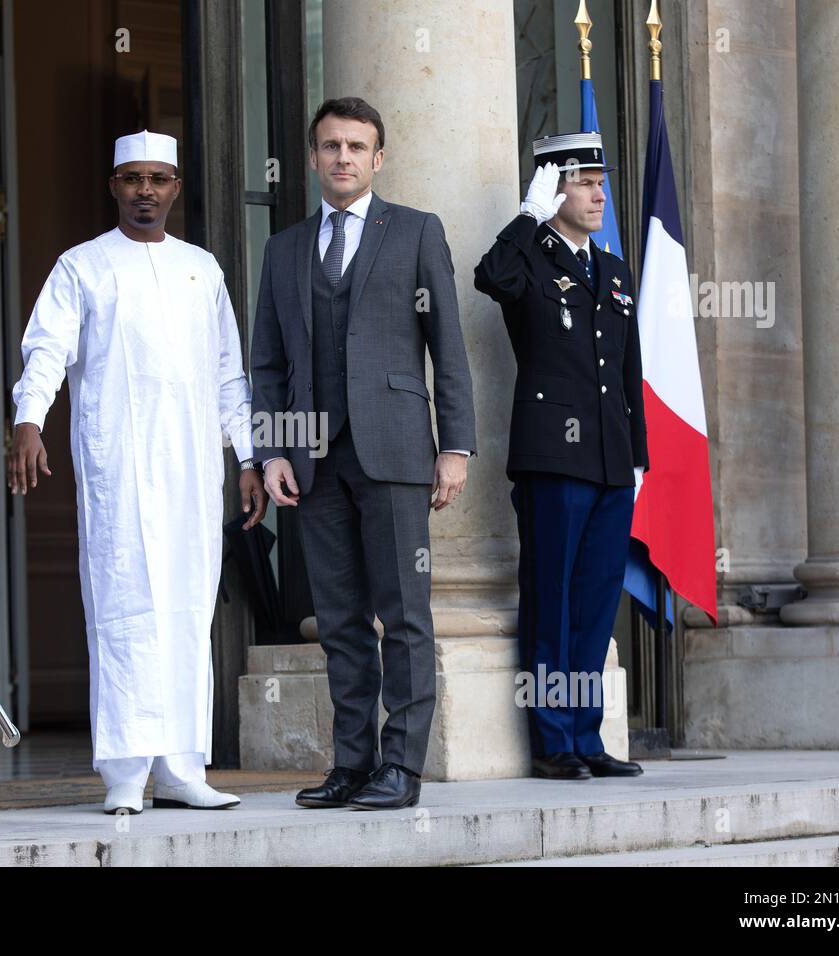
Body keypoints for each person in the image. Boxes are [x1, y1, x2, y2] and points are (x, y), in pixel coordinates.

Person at [7, 130, 267, 814]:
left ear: (175, 188)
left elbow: (229, 374)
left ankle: (181, 769)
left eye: (157, 179)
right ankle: (125, 773)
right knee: (122, 608)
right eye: (132, 178)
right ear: (113, 187)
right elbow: (47, 350)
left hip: (192, 469)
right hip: (117, 467)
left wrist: (248, 456)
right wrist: (29, 420)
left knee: (187, 611)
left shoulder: (202, 269)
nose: (145, 190)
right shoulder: (82, 266)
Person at [250, 98, 477, 810]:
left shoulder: (415, 231)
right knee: (340, 621)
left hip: (397, 450)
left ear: (378, 159)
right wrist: (271, 450)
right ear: (313, 156)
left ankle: (402, 767)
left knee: (404, 614)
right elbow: (268, 364)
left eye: (356, 146)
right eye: (330, 145)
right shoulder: (283, 249)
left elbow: (448, 346)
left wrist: (455, 447)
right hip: (313, 458)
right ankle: (352, 763)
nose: (342, 157)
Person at [472, 132, 648, 779]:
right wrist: (528, 216)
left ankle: (586, 736)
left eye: (602, 184)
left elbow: (628, 372)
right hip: (553, 460)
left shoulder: (614, 271)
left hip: (609, 462)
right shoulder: (529, 259)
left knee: (596, 604)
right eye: (584, 183)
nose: (599, 195)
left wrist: (638, 459)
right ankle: (553, 741)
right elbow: (490, 277)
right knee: (552, 599)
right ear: (553, 188)